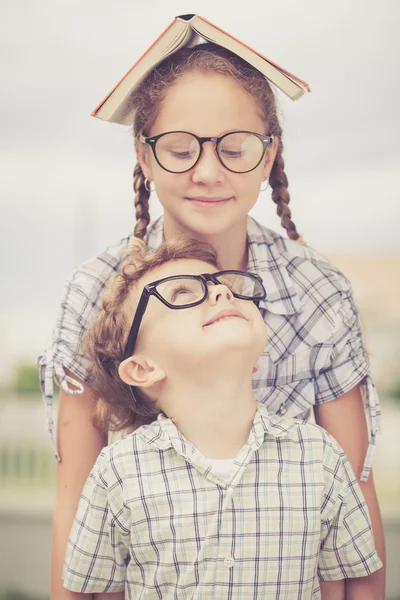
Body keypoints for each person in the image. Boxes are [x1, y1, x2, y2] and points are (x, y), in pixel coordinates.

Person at [38, 36, 385, 599]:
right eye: (180, 149)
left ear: (268, 155)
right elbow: (76, 502)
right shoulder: (95, 292)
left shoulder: (317, 293)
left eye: (236, 147)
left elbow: (355, 500)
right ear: (145, 154)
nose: (207, 172)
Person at [62, 238, 382, 599]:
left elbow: (343, 583)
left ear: (256, 359)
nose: (222, 294)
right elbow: (98, 591)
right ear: (142, 369)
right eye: (182, 294)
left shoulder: (320, 457)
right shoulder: (118, 472)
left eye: (228, 286)